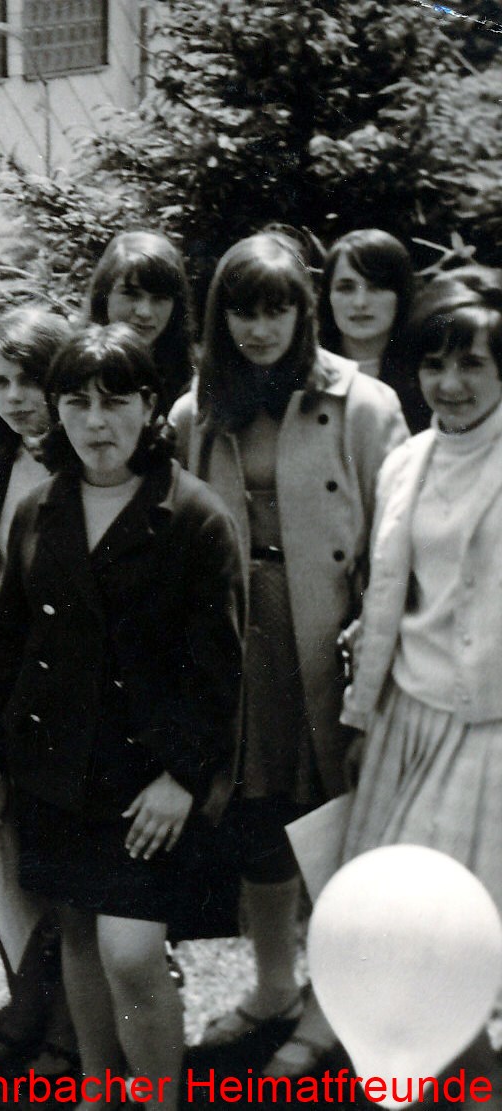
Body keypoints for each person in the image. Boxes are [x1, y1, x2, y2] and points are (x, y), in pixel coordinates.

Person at [0, 324, 243, 1111]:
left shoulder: (193, 515)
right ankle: (96, 1089)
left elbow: (219, 671)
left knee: (131, 951)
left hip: (145, 781)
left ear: (151, 405)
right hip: (56, 772)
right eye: (78, 402)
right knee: (83, 938)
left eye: (116, 401)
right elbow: (6, 645)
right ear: (57, 409)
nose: (96, 422)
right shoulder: (40, 508)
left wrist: (181, 777)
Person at [171, 231, 407, 1076]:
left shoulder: (365, 403)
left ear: (304, 312)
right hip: (240, 639)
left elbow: (398, 536)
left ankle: (331, 1005)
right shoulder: (196, 411)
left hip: (332, 634)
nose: (260, 328)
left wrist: (373, 634)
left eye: (277, 309)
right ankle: (274, 986)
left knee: (337, 822)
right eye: (243, 310)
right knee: (257, 817)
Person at [280, 273, 502, 1060]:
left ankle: (471, 1078)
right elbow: (385, 601)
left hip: (489, 727)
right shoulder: (406, 462)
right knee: (393, 916)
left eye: (472, 363)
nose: (450, 383)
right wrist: (363, 719)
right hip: (407, 715)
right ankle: (410, 1065)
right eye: (435, 363)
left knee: (460, 922)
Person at [0, 308, 78, 1070]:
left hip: (72, 690)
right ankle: (25, 999)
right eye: (0, 381)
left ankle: (68, 1022)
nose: (17, 397)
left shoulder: (88, 460)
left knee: (65, 860)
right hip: (2, 686)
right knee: (2, 849)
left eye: (32, 379)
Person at [318, 229, 426, 431]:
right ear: (328, 296)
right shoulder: (305, 372)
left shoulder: (426, 374)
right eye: (346, 288)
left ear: (401, 294)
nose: (360, 302)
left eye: (376, 287)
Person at [88, 230, 196, 413]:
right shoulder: (70, 370)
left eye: (160, 298)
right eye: (131, 294)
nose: (145, 312)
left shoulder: (191, 388)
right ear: (104, 295)